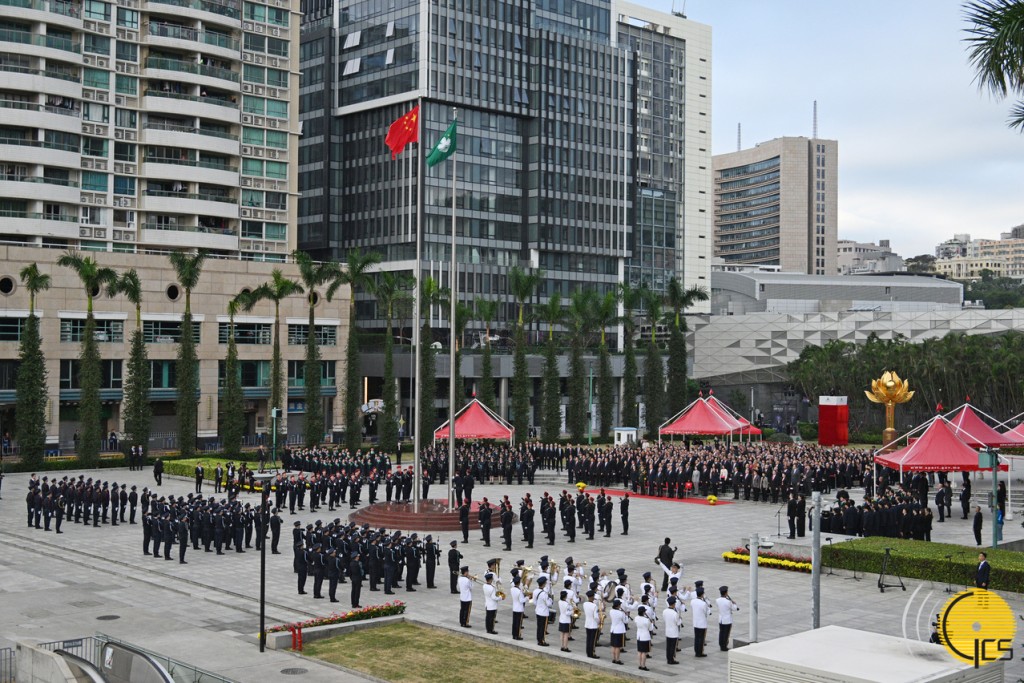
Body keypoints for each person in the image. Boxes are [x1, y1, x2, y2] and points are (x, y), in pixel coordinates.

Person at [690, 585, 712, 657]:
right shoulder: (703, 603)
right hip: (702, 623)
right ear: (702, 594)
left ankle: (696, 651)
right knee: (701, 639)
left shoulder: (692, 601)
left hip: (696, 623)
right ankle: (700, 652)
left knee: (696, 638)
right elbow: (707, 612)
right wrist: (708, 608)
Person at [716, 585, 739, 651]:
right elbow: (734, 608)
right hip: (727, 620)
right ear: (726, 593)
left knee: (721, 632)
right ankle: (724, 646)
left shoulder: (717, 600)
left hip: (721, 619)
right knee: (726, 634)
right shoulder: (728, 601)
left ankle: (721, 645)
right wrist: (734, 603)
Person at [662, 595, 682, 665]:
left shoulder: (664, 611)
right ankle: (671, 659)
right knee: (672, 647)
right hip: (673, 632)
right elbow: (678, 623)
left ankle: (668, 658)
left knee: (668, 646)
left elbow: (664, 620)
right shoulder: (675, 613)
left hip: (667, 631)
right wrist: (680, 619)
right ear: (673, 604)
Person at [609, 597, 628, 665]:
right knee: (618, 646)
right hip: (619, 630)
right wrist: (626, 615)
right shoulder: (621, 613)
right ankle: (617, 659)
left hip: (613, 629)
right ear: (618, 606)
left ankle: (614, 658)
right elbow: (625, 621)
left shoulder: (611, 611)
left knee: (613, 646)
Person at [635, 604, 654, 671]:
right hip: (645, 636)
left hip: (639, 636)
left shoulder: (636, 618)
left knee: (639, 651)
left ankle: (639, 664)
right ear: (643, 612)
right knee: (644, 652)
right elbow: (650, 628)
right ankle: (643, 665)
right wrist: (652, 623)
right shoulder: (646, 620)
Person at [533, 576, 551, 646]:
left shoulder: (535, 591)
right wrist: (550, 599)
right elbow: (549, 604)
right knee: (543, 628)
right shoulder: (544, 594)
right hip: (544, 612)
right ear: (543, 584)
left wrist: (539, 605)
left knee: (539, 626)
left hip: (538, 611)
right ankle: (542, 641)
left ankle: (539, 639)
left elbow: (534, 602)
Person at [582, 590, 600, 658]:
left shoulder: (585, 604)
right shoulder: (594, 606)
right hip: (593, 625)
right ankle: (592, 653)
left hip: (587, 624)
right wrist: (599, 622)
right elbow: (595, 617)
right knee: (593, 640)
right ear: (592, 597)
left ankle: (588, 652)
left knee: (588, 639)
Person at [511, 575, 527, 640]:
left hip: (514, 608)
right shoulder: (519, 591)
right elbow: (521, 600)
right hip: (519, 609)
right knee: (518, 623)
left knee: (514, 622)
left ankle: (514, 635)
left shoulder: (512, 589)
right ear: (519, 583)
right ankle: (517, 635)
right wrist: (527, 598)